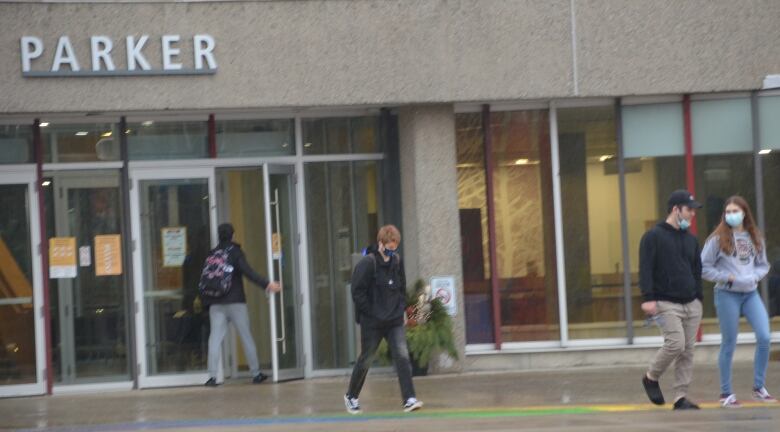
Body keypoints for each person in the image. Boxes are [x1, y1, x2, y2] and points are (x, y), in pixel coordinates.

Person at [701, 196, 775, 407]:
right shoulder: (716, 239)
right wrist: (727, 277)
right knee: (729, 342)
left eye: (735, 211)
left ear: (744, 212)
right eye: (728, 211)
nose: (731, 215)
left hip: (751, 293)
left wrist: (754, 277)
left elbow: (763, 265)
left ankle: (759, 387)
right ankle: (726, 393)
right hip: (727, 294)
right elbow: (704, 267)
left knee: (764, 336)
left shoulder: (754, 237)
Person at [344, 225, 423, 414]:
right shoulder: (367, 263)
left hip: (394, 320)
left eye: (394, 247)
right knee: (366, 359)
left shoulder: (397, 261)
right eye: (388, 247)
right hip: (372, 322)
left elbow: (402, 287)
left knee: (402, 356)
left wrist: (402, 308)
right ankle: (351, 396)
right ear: (380, 243)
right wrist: (370, 312)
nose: (391, 251)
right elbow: (357, 291)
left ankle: (409, 399)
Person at [639, 189, 704, 410]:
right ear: (676, 210)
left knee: (687, 351)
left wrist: (699, 298)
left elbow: (697, 269)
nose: (692, 215)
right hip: (665, 304)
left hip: (691, 303)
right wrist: (648, 298)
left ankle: (680, 397)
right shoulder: (653, 236)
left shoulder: (691, 239)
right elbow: (645, 268)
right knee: (676, 344)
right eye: (689, 210)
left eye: (694, 211)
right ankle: (651, 377)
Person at [203, 223, 281, 387]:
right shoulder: (235, 252)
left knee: (214, 339)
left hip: (216, 303)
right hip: (236, 301)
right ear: (232, 235)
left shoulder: (212, 253)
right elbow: (248, 272)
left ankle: (212, 377)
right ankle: (256, 373)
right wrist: (267, 284)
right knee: (246, 336)